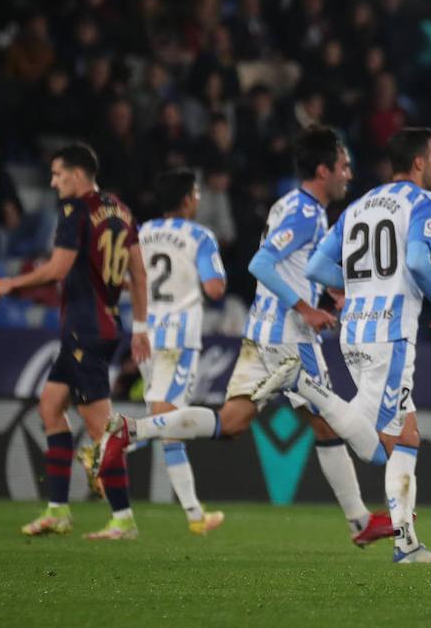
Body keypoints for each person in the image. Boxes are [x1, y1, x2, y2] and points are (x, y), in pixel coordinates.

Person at [96, 127, 395, 547]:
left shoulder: (295, 205)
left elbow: (293, 263)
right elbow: (261, 263)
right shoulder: (305, 212)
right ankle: (360, 522)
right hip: (290, 340)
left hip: (263, 333)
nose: (349, 173)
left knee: (232, 423)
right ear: (323, 170)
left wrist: (331, 290)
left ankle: (133, 430)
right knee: (328, 424)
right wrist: (306, 308)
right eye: (343, 167)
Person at [303, 127, 431, 564]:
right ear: (420, 162)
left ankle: (406, 543)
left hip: (354, 331)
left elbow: (317, 266)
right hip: (391, 333)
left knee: (405, 435)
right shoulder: (425, 203)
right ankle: (308, 387)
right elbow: (416, 260)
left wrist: (360, 287)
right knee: (381, 444)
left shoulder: (358, 206)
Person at [0, 143, 150, 540]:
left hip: (86, 328)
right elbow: (139, 274)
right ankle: (58, 511)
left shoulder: (76, 210)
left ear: (78, 176)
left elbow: (59, 268)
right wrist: (142, 327)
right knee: (50, 408)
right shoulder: (120, 209)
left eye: (58, 174)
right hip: (102, 325)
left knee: (101, 430)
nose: (53, 182)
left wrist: (15, 282)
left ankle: (123, 518)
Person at [137, 169, 228, 534]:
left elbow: (128, 281)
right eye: (196, 193)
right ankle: (108, 442)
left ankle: (194, 515)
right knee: (167, 421)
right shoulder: (200, 236)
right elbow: (215, 288)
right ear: (188, 198)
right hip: (178, 338)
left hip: (147, 337)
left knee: (168, 428)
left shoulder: (141, 234)